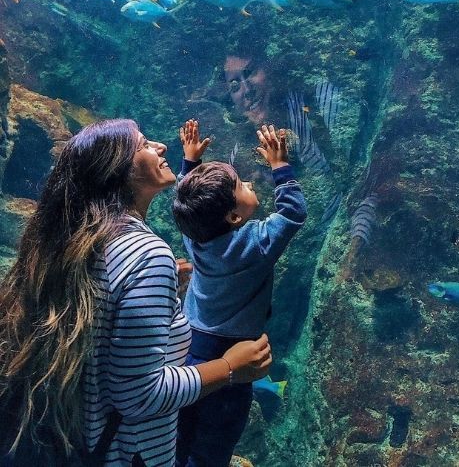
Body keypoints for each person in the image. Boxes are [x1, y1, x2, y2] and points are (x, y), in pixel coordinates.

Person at [0, 118, 272, 467]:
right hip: (127, 454)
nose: (160, 147)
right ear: (118, 171)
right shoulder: (148, 254)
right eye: (143, 144)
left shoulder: (83, 239)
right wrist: (230, 367)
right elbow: (139, 396)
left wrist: (158, 290)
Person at [172, 119, 307, 467]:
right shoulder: (256, 244)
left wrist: (190, 163)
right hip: (234, 355)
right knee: (215, 443)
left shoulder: (195, 237)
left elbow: (187, 206)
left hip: (188, 345)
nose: (248, 182)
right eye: (240, 185)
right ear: (234, 216)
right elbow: (293, 212)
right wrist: (280, 166)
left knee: (181, 431)